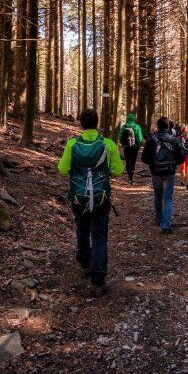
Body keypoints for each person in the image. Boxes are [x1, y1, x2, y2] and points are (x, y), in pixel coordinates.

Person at [58, 108, 125, 296]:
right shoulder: (108, 144)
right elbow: (118, 171)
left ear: (81, 123)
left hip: (79, 197)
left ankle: (85, 263)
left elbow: (62, 169)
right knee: (99, 235)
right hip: (101, 197)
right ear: (97, 123)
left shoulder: (72, 144)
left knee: (82, 228)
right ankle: (98, 280)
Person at [141, 116, 185, 233]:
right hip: (169, 172)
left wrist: (153, 163)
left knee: (158, 195)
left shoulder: (151, 139)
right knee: (168, 198)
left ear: (158, 126)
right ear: (168, 126)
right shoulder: (174, 140)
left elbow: (144, 158)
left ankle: (159, 219)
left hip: (155, 172)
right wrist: (174, 163)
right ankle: (166, 225)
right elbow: (182, 157)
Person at [116, 112, 144, 184]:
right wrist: (138, 144)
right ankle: (131, 176)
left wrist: (123, 144)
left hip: (126, 147)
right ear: (134, 119)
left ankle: (129, 177)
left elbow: (119, 137)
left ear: (127, 119)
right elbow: (140, 138)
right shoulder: (137, 127)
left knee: (128, 161)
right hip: (135, 148)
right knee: (133, 161)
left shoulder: (123, 127)